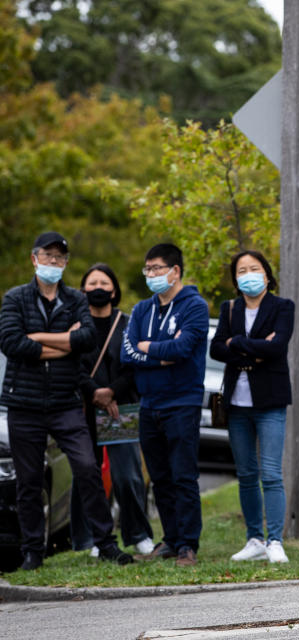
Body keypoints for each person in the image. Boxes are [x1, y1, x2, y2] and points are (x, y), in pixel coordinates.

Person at [0, 232, 133, 570]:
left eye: (60, 258)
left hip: (65, 402)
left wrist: (41, 338)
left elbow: (87, 339)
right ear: (34, 259)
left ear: (66, 263)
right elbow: (12, 344)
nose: (54, 263)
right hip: (24, 404)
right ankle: (33, 551)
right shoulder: (15, 298)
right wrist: (65, 341)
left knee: (88, 469)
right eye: (48, 256)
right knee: (29, 481)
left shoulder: (75, 299)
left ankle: (105, 543)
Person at [121, 243, 209, 567]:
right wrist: (161, 355)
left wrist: (150, 350)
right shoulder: (142, 310)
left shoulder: (194, 306)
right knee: (159, 477)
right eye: (148, 269)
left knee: (183, 475)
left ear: (175, 270)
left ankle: (188, 544)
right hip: (149, 404)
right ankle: (170, 539)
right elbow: (127, 353)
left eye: (158, 268)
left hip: (182, 402)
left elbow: (184, 349)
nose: (152, 275)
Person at [210, 250, 294, 563]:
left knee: (271, 473)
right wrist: (248, 349)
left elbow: (276, 347)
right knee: (246, 474)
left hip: (270, 400)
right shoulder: (229, 308)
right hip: (236, 402)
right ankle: (254, 538)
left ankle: (275, 540)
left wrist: (237, 343)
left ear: (267, 274)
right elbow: (217, 348)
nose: (248, 274)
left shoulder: (283, 307)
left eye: (254, 268)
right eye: (241, 270)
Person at [73, 263, 155, 557]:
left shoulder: (129, 323)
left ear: (115, 290)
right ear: (82, 290)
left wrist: (112, 392)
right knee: (88, 473)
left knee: (127, 474)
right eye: (92, 282)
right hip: (84, 406)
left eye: (104, 283)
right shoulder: (75, 324)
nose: (98, 288)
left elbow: (136, 365)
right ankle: (97, 538)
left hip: (121, 406)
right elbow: (71, 366)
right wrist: (94, 392)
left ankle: (138, 533)